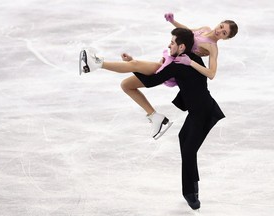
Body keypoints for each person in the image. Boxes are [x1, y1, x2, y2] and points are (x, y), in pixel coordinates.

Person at [79, 14, 238, 140]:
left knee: (134, 65)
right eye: (222, 26)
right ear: (220, 22)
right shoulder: (205, 28)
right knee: (127, 85)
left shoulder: (212, 48)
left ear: (226, 38)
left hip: (176, 67)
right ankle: (156, 118)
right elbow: (187, 32)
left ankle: (95, 64)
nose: (219, 31)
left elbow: (211, 74)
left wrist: (190, 63)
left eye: (224, 33)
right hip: (171, 59)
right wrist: (173, 22)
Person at [134, 27, 225, 210]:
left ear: (182, 47)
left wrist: (133, 66)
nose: (169, 45)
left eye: (173, 43)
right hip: (199, 110)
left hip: (204, 112)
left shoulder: (179, 65)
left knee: (189, 151)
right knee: (183, 140)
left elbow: (151, 82)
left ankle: (191, 194)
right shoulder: (194, 59)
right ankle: (193, 185)